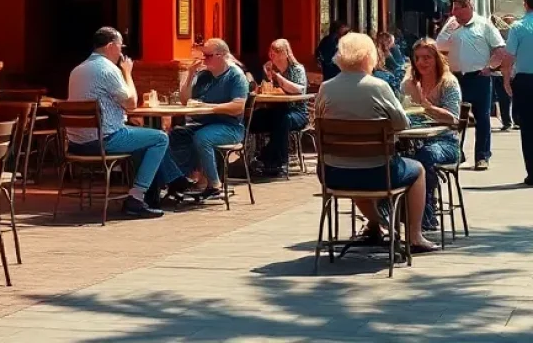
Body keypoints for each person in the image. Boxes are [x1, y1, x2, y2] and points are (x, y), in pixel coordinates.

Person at [315, 32, 435, 253]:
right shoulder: (378, 87)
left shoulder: (326, 88)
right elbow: (401, 124)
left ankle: (378, 223)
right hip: (378, 172)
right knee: (417, 169)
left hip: (333, 173)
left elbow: (317, 122)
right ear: (369, 56)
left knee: (352, 167)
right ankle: (414, 235)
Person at [66, 27, 190, 218]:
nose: (122, 52)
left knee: (143, 140)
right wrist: (127, 72)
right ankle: (137, 198)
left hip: (76, 144)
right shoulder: (109, 69)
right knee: (159, 138)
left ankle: (170, 183)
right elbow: (131, 104)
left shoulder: (77, 69)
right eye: (120, 46)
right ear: (110, 46)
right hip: (104, 140)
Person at [169, 38, 249, 202]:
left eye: (208, 55)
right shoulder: (204, 75)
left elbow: (238, 107)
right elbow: (185, 100)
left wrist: (209, 107)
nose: (203, 59)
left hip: (230, 127)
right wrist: (190, 74)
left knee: (202, 138)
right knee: (175, 135)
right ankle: (179, 179)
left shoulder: (235, 76)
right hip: (203, 123)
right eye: (203, 55)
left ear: (222, 55)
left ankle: (215, 185)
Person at [436, 0, 507, 170]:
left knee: (482, 117)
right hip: (457, 78)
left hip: (479, 77)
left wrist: (490, 67)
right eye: (453, 11)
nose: (455, 14)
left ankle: (482, 156)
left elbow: (500, 49)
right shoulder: (452, 25)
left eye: (458, 11)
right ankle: (456, 153)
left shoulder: (484, 25)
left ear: (468, 8)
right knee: (455, 118)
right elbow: (439, 45)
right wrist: (450, 27)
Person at [402, 39, 462, 231]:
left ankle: (425, 217)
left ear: (437, 59)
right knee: (390, 156)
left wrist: (427, 106)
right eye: (418, 58)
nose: (422, 62)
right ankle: (386, 218)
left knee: (424, 157)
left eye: (427, 57)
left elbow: (453, 118)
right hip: (413, 138)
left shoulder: (448, 83)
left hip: (445, 142)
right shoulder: (408, 84)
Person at [250, 38, 308, 177]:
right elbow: (265, 87)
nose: (272, 54)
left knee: (282, 120)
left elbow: (299, 90)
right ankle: (248, 159)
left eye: (276, 51)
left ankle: (275, 161)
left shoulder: (296, 69)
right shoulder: (269, 67)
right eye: (271, 51)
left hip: (297, 112)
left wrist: (278, 78)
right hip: (275, 109)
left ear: (286, 53)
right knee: (253, 118)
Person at [501, 0, 533, 185]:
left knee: (528, 128)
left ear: (525, 4)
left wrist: (506, 79)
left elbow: (509, 57)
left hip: (525, 81)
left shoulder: (518, 27)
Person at [491, 15, 514, 130]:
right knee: (505, 98)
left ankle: (508, 122)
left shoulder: (495, 36)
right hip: (501, 71)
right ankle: (509, 121)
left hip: (496, 71)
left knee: (503, 98)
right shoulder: (508, 34)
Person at [374, 31, 406, 96]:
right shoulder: (385, 52)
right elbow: (398, 65)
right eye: (390, 42)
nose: (391, 45)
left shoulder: (383, 51)